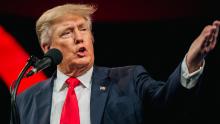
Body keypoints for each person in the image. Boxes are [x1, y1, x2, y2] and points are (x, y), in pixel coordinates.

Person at [16, 3, 220, 124]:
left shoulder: (129, 80)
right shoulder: (27, 100)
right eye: (68, 32)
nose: (79, 38)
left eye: (84, 29)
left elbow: (169, 103)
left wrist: (191, 63)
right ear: (47, 48)